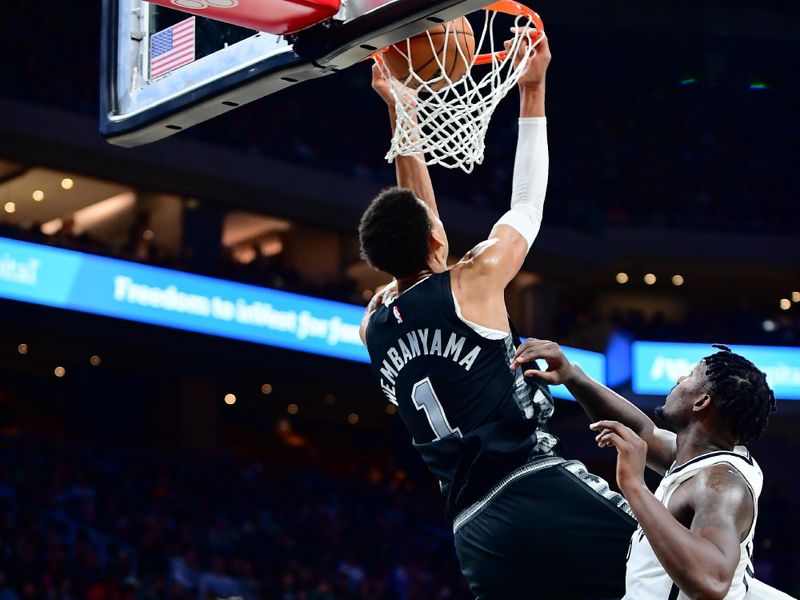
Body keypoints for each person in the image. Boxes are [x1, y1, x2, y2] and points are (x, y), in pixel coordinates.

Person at [358, 33, 636, 599]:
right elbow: (528, 203)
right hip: (531, 482)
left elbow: (421, 229)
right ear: (437, 240)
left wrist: (401, 113)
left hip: (473, 530)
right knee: (682, 571)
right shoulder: (475, 279)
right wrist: (532, 89)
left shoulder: (373, 323)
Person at [511, 340, 790, 599]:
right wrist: (572, 376)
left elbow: (712, 582)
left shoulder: (721, 483)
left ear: (701, 402)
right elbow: (645, 433)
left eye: (691, 376)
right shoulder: (695, 458)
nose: (679, 380)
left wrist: (635, 486)